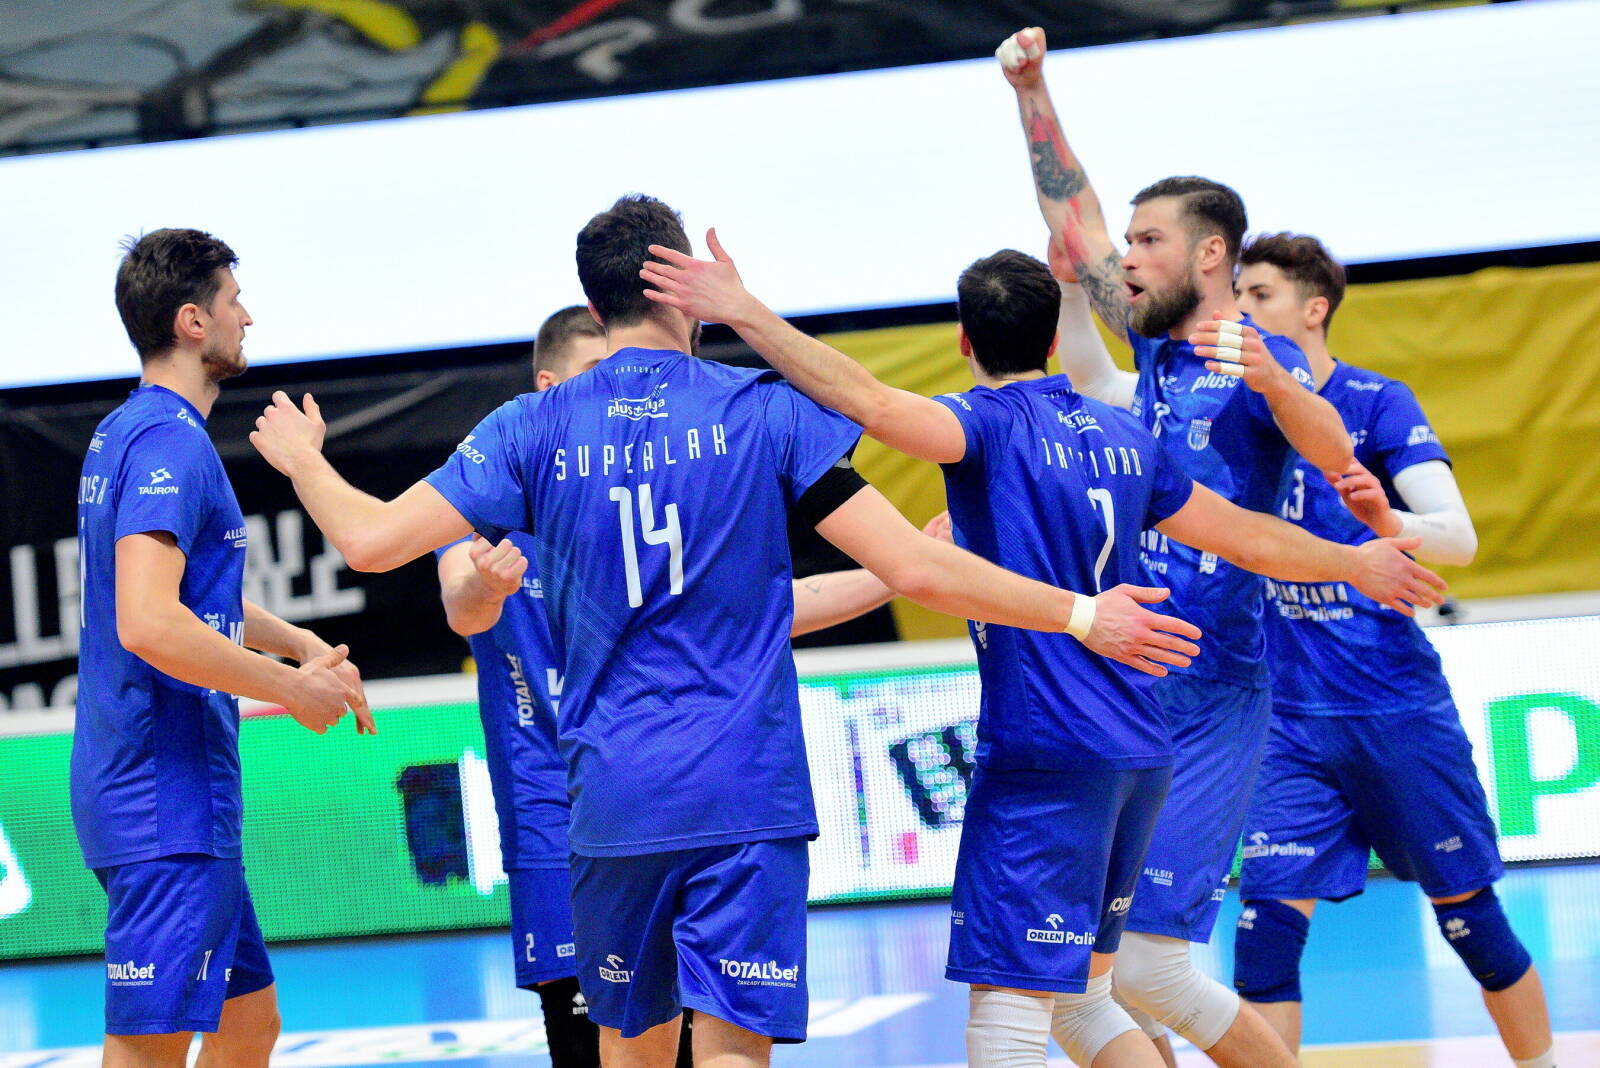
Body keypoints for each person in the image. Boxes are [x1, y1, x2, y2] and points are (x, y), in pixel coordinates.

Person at [249, 195, 1201, 1068]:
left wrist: (303, 462)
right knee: (735, 1051)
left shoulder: (530, 427)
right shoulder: (761, 407)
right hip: (747, 793)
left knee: (629, 1052)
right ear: (683, 289)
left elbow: (370, 542)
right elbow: (915, 567)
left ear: (596, 302)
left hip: (615, 794)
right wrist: (1083, 613)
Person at [636, 239, 1446, 1068]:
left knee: (1007, 1023)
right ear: (1055, 342)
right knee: (1087, 1003)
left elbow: (869, 402)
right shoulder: (1125, 436)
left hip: (1045, 753)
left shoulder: (982, 425)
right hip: (1138, 753)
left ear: (963, 340)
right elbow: (1244, 536)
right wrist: (1353, 562)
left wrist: (743, 312)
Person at [996, 27, 1359, 1066]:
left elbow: (1332, 452)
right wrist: (1031, 92)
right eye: (1130, 240)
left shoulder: (1267, 355)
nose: (1127, 256)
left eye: (1148, 240)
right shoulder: (1156, 343)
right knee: (1077, 976)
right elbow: (1072, 223)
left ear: (1209, 254)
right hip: (1123, 671)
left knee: (1151, 970)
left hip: (1211, 688)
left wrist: (1274, 379)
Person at [435, 305, 920, 1068]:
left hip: (673, 789)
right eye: (599, 376)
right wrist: (484, 585)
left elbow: (769, 609)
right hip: (560, 817)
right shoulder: (496, 500)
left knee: (690, 1040)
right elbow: (457, 602)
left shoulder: (666, 490)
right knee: (607, 1043)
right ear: (550, 388)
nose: (627, 397)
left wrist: (897, 572)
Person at [1229, 233, 1558, 1068]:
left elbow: (1460, 540)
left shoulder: (1375, 402)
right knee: (1263, 937)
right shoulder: (1228, 410)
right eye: (1237, 296)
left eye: (1260, 295)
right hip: (1285, 720)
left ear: (1314, 309)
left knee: (1472, 923)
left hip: (1392, 706)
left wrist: (1388, 522)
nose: (1242, 312)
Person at [74, 228, 373, 1068]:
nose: (248, 316)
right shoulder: (171, 442)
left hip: (157, 793)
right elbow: (148, 622)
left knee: (248, 1026)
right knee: (148, 1050)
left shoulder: (125, 430)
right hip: (165, 801)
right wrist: (292, 687)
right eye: (234, 301)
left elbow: (182, 592)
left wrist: (297, 640)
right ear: (193, 321)